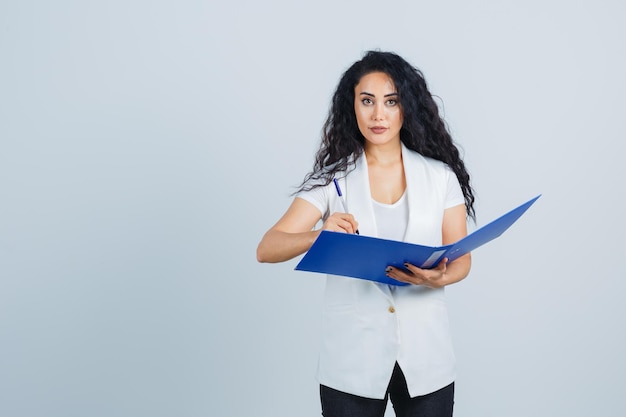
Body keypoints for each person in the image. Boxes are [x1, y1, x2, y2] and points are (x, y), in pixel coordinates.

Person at [256, 50, 475, 417]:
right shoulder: (333, 180)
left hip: (426, 356)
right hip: (351, 360)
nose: (378, 115)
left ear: (406, 108)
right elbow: (267, 247)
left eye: (391, 102)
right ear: (352, 107)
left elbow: (462, 258)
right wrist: (319, 237)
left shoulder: (440, 177)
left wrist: (440, 277)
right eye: (367, 101)